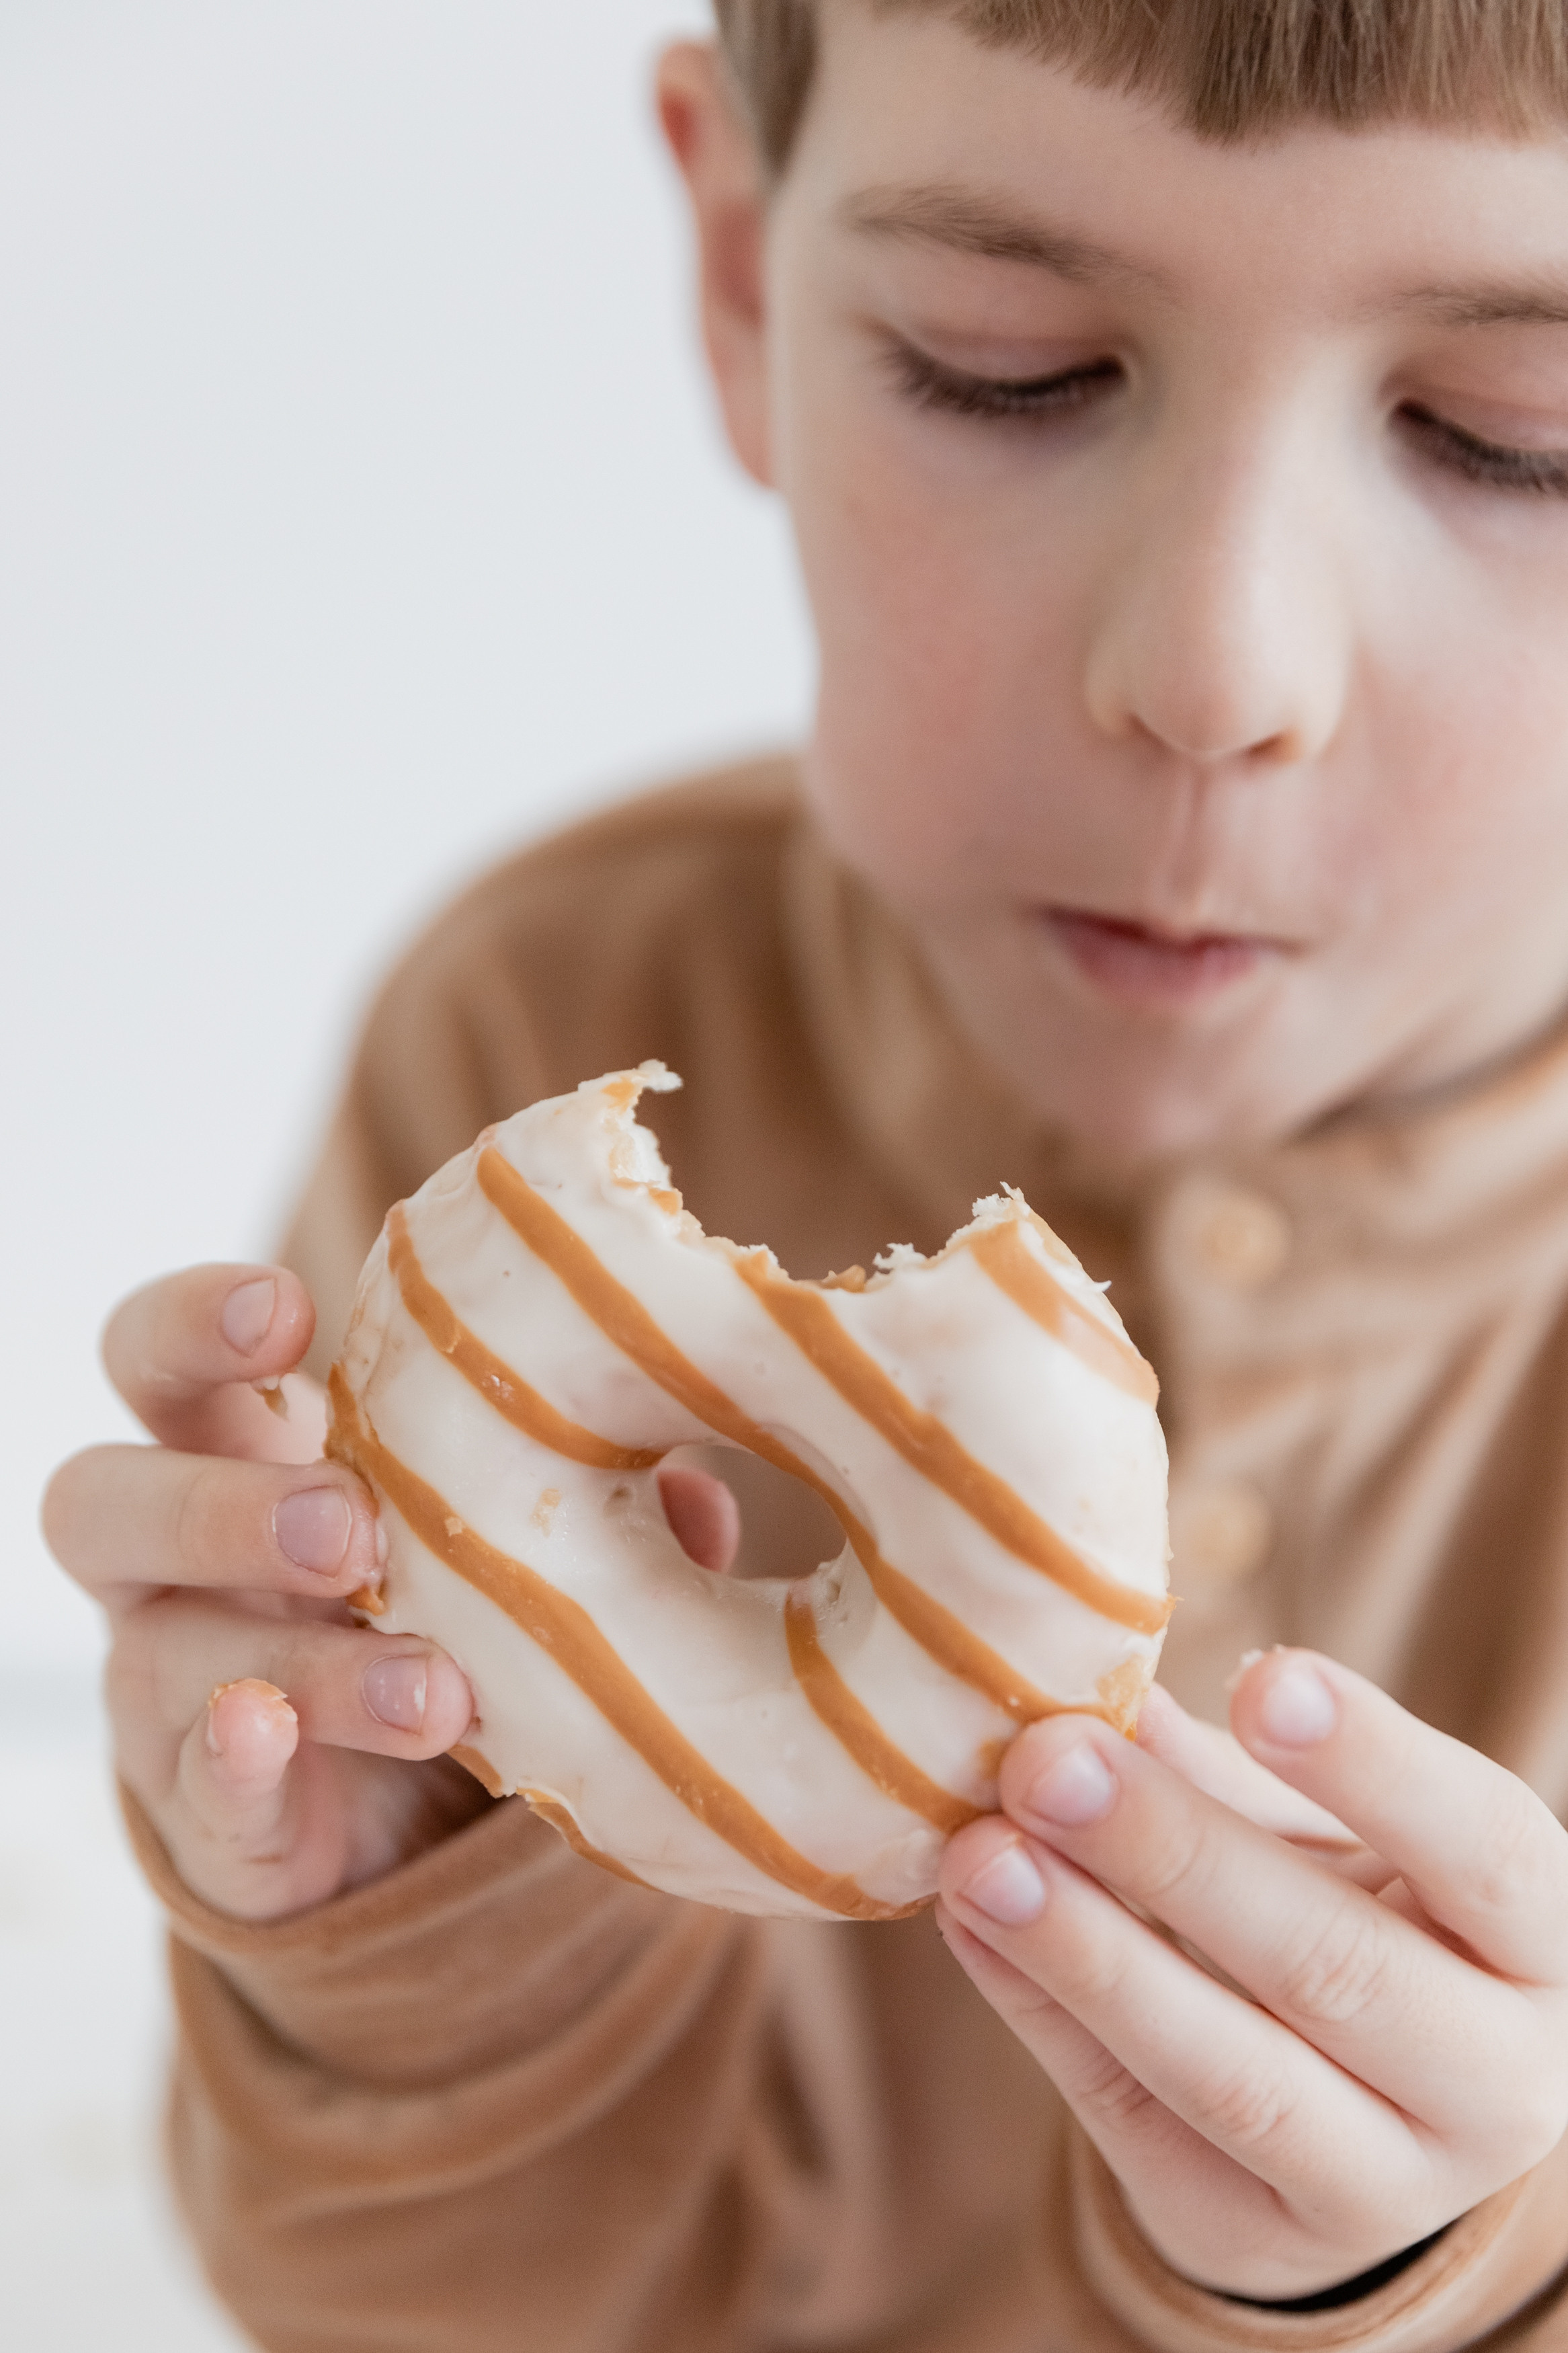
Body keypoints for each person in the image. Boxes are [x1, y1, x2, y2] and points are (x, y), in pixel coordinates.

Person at [40, 2, 1568, 2345]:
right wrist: (414, 1937)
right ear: (747, 280)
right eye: (1007, 368)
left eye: (1517, 435)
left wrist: (1444, 2269)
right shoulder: (535, 1038)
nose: (1216, 666)